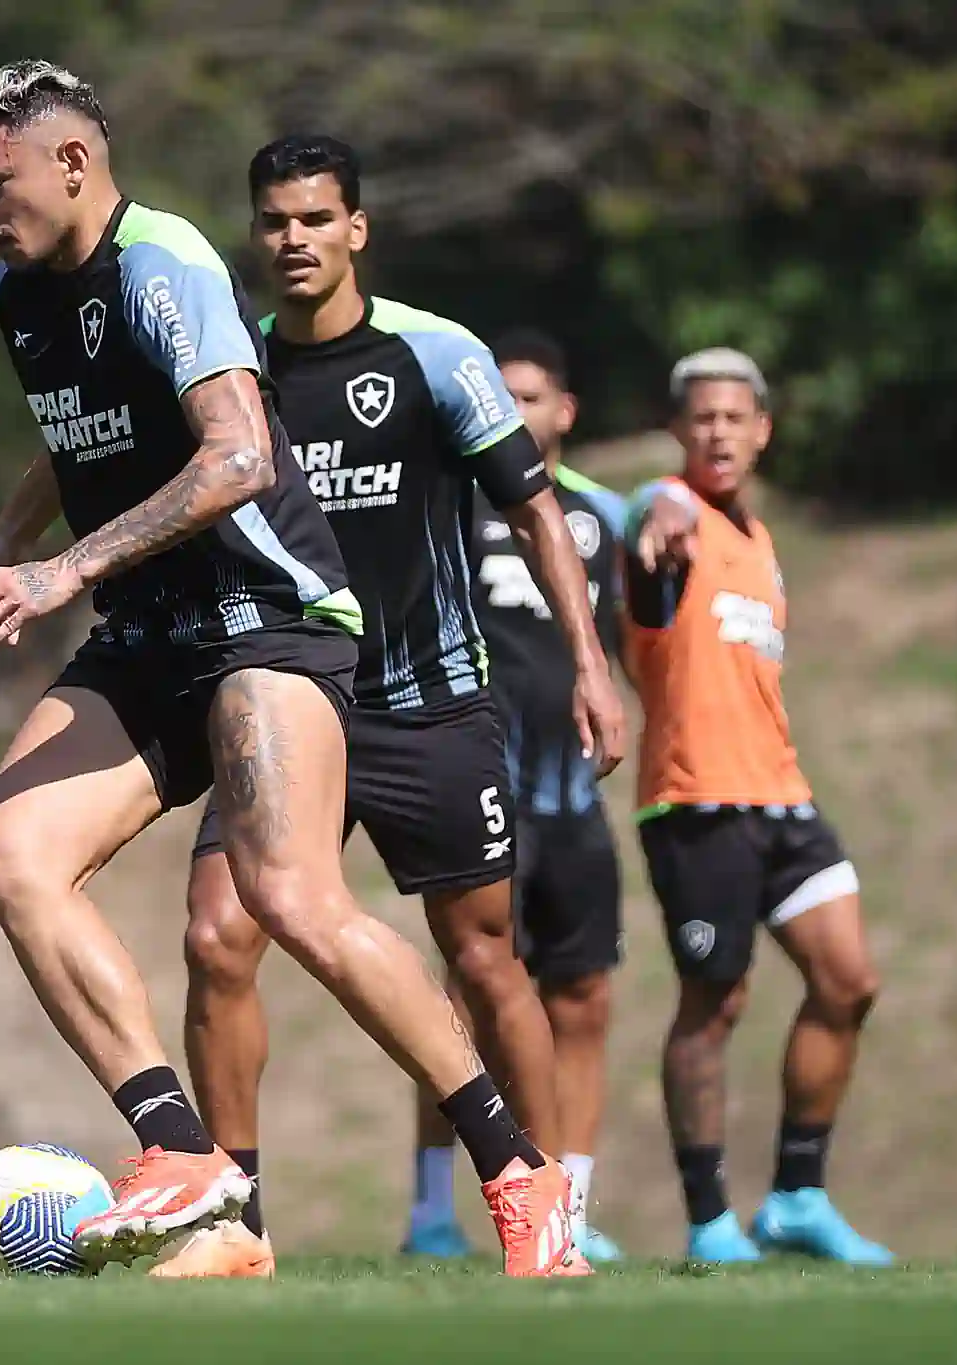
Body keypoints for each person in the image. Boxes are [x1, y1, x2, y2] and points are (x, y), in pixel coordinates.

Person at [0, 64, 586, 1279]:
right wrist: (4, 546)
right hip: (148, 628)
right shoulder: (18, 294)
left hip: (267, 614)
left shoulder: (162, 261)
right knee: (9, 861)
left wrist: (58, 572)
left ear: (72, 164)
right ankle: (187, 1165)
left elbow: (234, 457)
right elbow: (76, 433)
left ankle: (517, 1171)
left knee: (289, 901)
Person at [165, 136, 624, 1278]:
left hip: (427, 709)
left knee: (482, 963)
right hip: (277, 694)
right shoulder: (233, 369)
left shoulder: (434, 355)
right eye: (273, 220)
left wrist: (589, 665)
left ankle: (542, 1201)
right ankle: (238, 1227)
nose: (292, 240)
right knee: (217, 940)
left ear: (355, 229)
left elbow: (532, 513)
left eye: (315, 219)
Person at [626, 348, 891, 1265]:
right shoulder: (670, 514)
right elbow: (645, 513)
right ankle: (708, 1222)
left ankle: (797, 1198)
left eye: (735, 418)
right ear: (677, 430)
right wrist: (652, 505)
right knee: (716, 1001)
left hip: (784, 796)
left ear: (763, 429)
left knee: (849, 980)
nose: (719, 432)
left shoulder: (758, 539)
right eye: (701, 418)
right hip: (696, 801)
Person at [414, 329, 627, 1264]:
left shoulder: (609, 517)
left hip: (574, 792)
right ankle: (431, 1213)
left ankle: (567, 1209)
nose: (513, 409)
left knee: (581, 998)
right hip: (481, 780)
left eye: (531, 395)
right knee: (467, 998)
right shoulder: (451, 499)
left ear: (565, 412)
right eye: (500, 394)